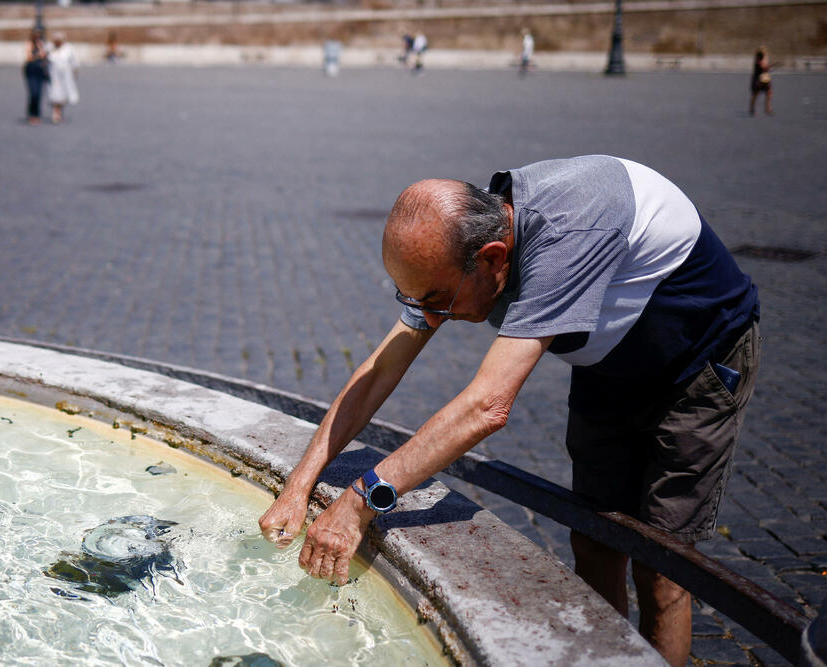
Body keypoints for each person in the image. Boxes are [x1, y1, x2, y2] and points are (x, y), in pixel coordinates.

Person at [258, 155, 761, 667]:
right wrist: (299, 485)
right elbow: (378, 373)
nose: (427, 317)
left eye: (436, 300)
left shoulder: (566, 236)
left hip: (696, 366)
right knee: (595, 544)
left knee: (662, 570)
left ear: (496, 259)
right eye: (411, 298)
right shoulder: (462, 245)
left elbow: (488, 406)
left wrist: (361, 501)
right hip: (609, 364)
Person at [46, 32, 79, 125]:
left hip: (65, 77)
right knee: (55, 94)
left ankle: (59, 111)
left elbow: (74, 62)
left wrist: (75, 72)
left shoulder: (68, 49)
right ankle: (56, 112)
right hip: (53, 76)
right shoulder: (50, 48)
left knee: (63, 96)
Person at [23, 30, 48, 126]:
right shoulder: (29, 44)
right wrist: (39, 55)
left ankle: (37, 114)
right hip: (31, 70)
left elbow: (44, 55)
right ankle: (31, 114)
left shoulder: (41, 44)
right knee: (33, 92)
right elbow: (29, 57)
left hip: (39, 70)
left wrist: (41, 50)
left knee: (38, 93)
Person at [749, 46, 773, 116]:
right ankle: (752, 109)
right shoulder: (758, 57)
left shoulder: (765, 57)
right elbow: (762, 66)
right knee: (755, 94)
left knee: (769, 93)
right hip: (758, 77)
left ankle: (768, 109)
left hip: (765, 76)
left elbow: (765, 67)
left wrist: (768, 66)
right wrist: (769, 66)